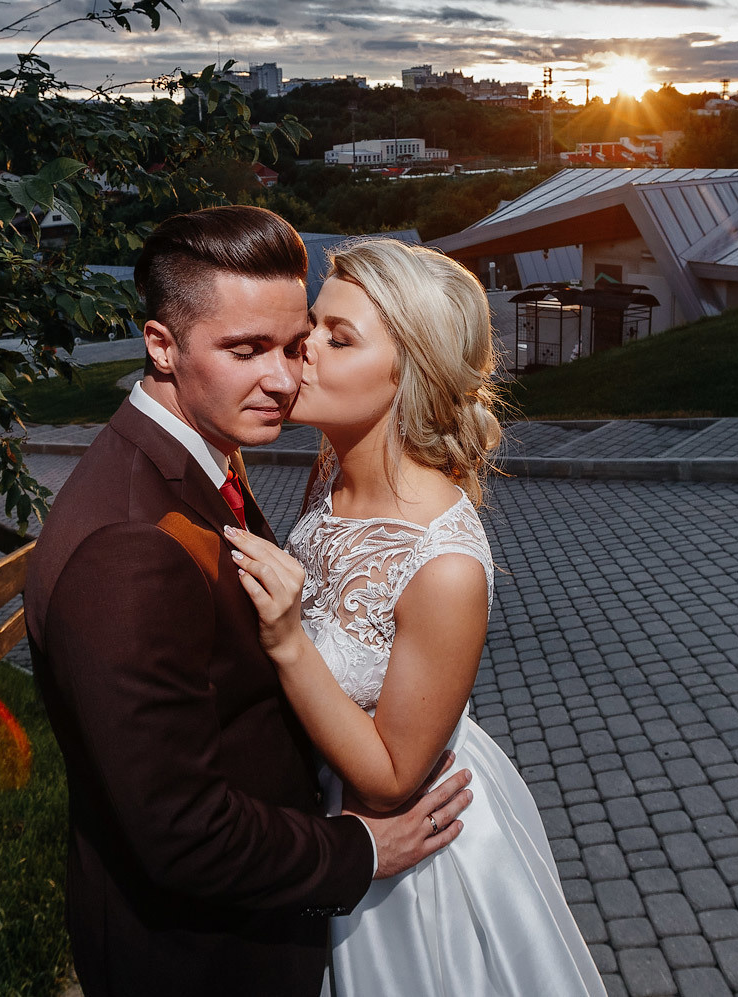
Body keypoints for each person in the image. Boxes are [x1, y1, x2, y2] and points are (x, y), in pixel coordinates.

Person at [24, 207, 473, 997]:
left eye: (294, 343)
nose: (284, 376)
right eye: (245, 349)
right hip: (204, 957)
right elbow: (182, 829)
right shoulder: (133, 544)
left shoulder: (196, 463)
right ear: (162, 345)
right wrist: (360, 852)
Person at [228, 237, 608, 996]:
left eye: (339, 339)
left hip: (412, 862)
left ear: (411, 372)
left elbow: (395, 778)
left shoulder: (446, 564)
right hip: (324, 833)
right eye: (312, 329)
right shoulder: (331, 472)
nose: (302, 355)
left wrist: (287, 640)